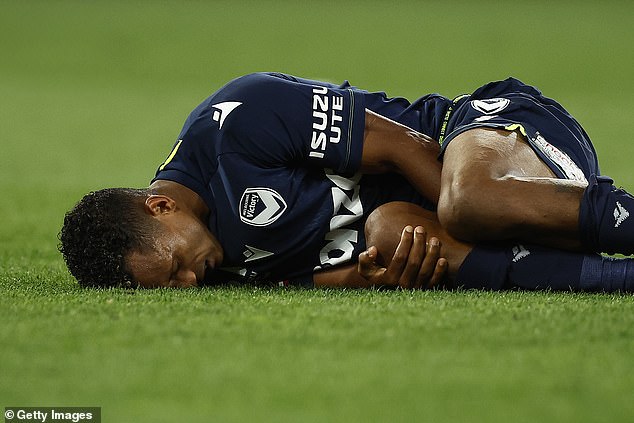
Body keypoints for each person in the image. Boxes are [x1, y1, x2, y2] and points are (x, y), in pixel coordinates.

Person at [59, 72, 634, 291]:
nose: (187, 283)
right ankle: (618, 279)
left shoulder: (239, 119)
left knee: (465, 205)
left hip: (491, 134)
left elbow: (405, 148)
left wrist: (498, 225)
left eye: (174, 266)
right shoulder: (214, 267)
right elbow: (337, 275)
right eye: (171, 286)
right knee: (391, 232)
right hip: (454, 209)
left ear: (160, 207)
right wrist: (382, 274)